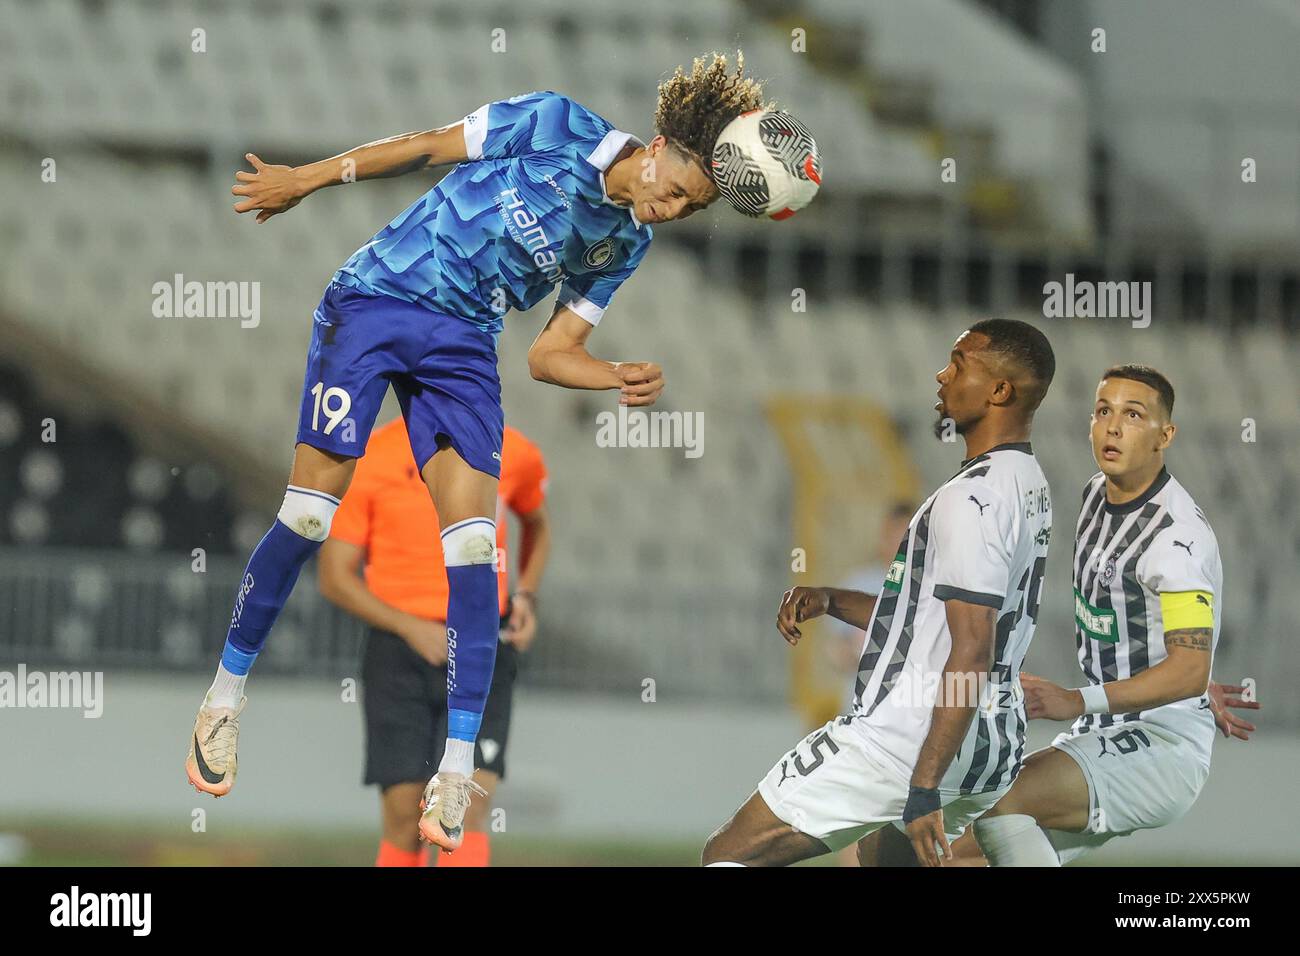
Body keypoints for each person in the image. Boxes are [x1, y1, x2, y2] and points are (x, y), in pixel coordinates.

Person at [185, 52, 771, 852]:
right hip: (376, 299)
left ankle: (455, 772)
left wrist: (613, 374)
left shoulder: (622, 245)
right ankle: (223, 700)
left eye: (688, 208)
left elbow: (548, 355)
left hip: (463, 347)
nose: (667, 210)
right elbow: (428, 146)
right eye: (672, 189)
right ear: (661, 143)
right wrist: (309, 179)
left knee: (474, 549)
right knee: (311, 515)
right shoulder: (556, 122)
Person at [702, 319, 1056, 866]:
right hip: (989, 750)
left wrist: (924, 785)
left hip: (905, 743)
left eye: (959, 364)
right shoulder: (1028, 485)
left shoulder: (972, 500)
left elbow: (971, 648)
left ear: (1000, 390)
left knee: (729, 855)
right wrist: (833, 600)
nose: (941, 376)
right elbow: (926, 624)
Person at [969, 365, 1233, 865]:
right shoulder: (1096, 494)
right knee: (950, 845)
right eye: (1103, 411)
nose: (1112, 426)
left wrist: (1078, 699)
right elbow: (1177, 657)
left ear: (1165, 435)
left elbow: (1190, 669)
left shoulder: (1175, 540)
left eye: (1133, 415)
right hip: (1112, 728)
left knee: (996, 804)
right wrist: (1181, 679)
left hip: (1163, 745)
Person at [318, 418, 548, 865]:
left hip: (482, 645)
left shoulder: (512, 450)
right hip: (397, 653)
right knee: (406, 815)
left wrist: (526, 594)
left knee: (466, 807)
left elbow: (537, 523)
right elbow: (334, 576)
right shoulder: (371, 455)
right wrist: (409, 626)